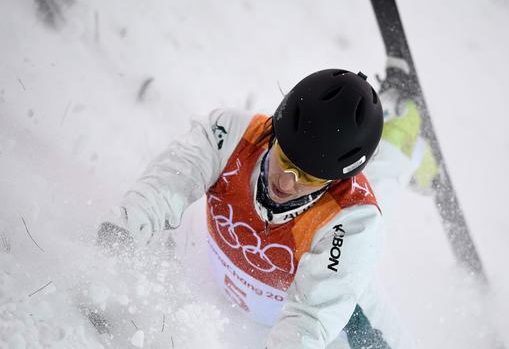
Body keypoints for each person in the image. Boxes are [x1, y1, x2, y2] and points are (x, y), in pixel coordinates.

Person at [98, 68, 425, 349]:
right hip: (247, 296)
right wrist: (118, 238)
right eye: (285, 159)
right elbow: (166, 184)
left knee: (384, 181)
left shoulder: (354, 221)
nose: (285, 183)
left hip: (340, 321)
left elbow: (309, 321)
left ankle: (406, 129)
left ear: (332, 181)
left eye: (307, 178)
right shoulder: (230, 135)